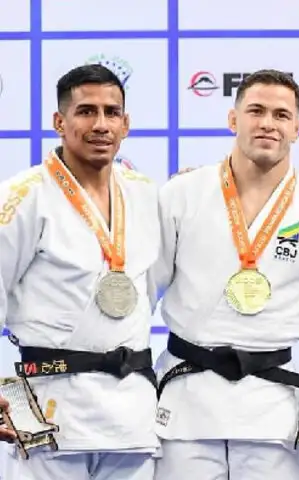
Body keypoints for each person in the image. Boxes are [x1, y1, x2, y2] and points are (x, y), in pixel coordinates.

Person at [151, 69, 299, 480]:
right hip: (184, 402)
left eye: (281, 115)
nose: (268, 123)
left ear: (297, 127)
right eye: (256, 111)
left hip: (268, 408)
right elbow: (138, 291)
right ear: (233, 120)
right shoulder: (181, 195)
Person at [0, 64, 160, 479]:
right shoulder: (24, 196)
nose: (101, 124)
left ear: (126, 124)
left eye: (112, 112)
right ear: (60, 121)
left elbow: (151, 291)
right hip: (50, 410)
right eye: (86, 111)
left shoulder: (144, 194)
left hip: (131, 413)